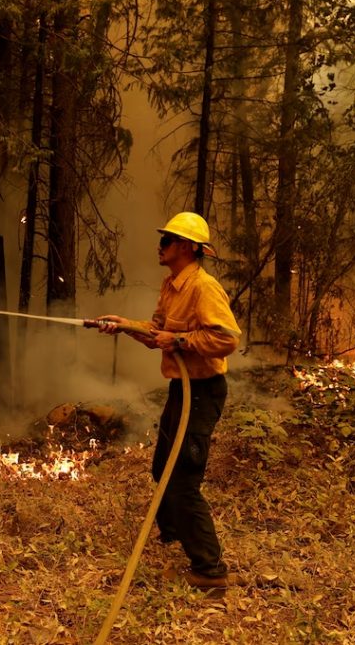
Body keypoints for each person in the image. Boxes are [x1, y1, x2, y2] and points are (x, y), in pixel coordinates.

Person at [98, 211, 241, 589]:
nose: (159, 246)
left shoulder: (203, 287)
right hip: (182, 389)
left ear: (187, 247)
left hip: (204, 392)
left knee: (182, 481)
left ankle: (210, 570)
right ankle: (174, 532)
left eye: (166, 241)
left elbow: (227, 338)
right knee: (162, 467)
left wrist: (180, 342)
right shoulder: (172, 285)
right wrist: (124, 325)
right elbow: (157, 331)